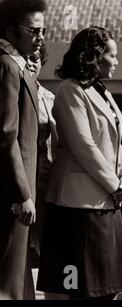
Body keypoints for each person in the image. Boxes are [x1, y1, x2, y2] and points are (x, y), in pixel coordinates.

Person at [37, 26, 122, 300]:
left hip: (106, 203)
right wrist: (115, 185)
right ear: (94, 56)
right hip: (77, 209)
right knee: (80, 291)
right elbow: (84, 146)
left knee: (106, 291)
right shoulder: (70, 91)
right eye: (112, 55)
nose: (116, 61)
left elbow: (114, 142)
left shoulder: (102, 91)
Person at [0, 0, 47, 300]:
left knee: (17, 279)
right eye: (34, 30)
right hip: (13, 195)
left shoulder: (18, 65)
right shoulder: (7, 65)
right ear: (11, 31)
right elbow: (7, 135)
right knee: (8, 281)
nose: (41, 37)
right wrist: (22, 194)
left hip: (19, 192)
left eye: (44, 30)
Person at [26, 43, 58, 257]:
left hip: (46, 181)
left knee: (48, 244)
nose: (31, 63)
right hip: (21, 179)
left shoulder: (50, 97)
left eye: (36, 59)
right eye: (27, 58)